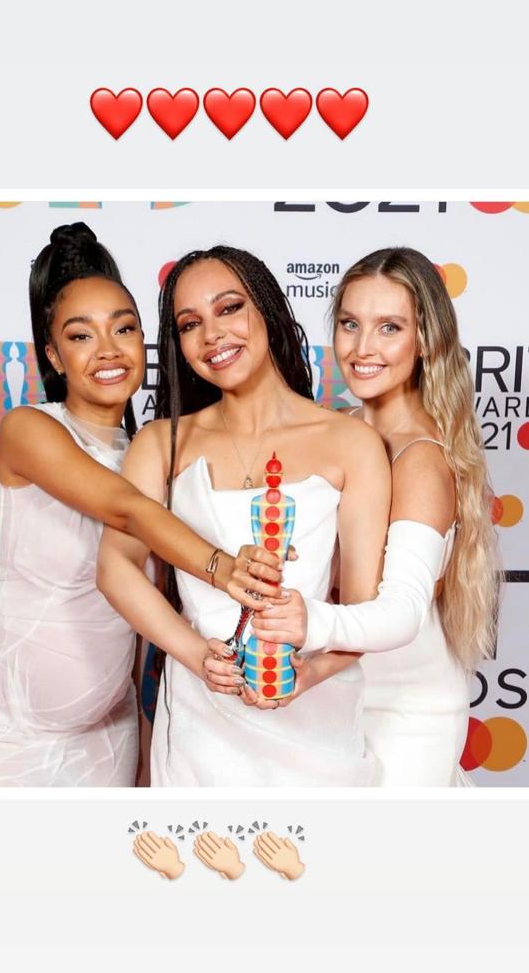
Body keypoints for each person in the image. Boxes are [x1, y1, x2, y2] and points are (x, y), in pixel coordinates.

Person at [0, 225, 281, 787]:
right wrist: (225, 568)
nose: (107, 351)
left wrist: (150, 747)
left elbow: (139, 628)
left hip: (109, 734)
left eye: (124, 328)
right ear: (52, 354)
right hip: (2, 734)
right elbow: (124, 509)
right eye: (80, 337)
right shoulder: (29, 429)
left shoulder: (155, 451)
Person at [98, 245, 393, 786]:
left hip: (315, 720)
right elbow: (115, 566)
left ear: (267, 308)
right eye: (190, 323)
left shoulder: (351, 443)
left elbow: (363, 609)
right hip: (198, 722)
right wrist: (196, 657)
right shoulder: (161, 443)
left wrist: (310, 672)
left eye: (229, 308)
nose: (212, 335)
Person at [249, 247, 501, 786]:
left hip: (407, 712)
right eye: (350, 324)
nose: (363, 349)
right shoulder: (338, 430)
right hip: (338, 695)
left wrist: (308, 630)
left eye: (389, 327)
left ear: (425, 341)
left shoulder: (421, 460)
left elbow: (402, 612)